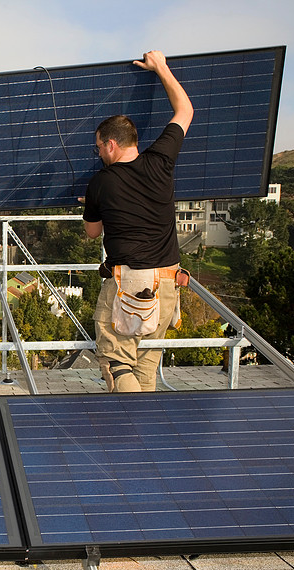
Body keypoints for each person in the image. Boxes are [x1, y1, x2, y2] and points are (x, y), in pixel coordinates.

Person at [82, 50, 194, 393]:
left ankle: (127, 429)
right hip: (169, 281)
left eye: (99, 147)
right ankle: (143, 440)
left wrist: (93, 203)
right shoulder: (161, 161)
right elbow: (185, 110)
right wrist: (160, 67)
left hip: (129, 282)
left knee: (117, 361)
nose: (98, 153)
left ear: (112, 145)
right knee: (147, 363)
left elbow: (91, 233)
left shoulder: (101, 182)